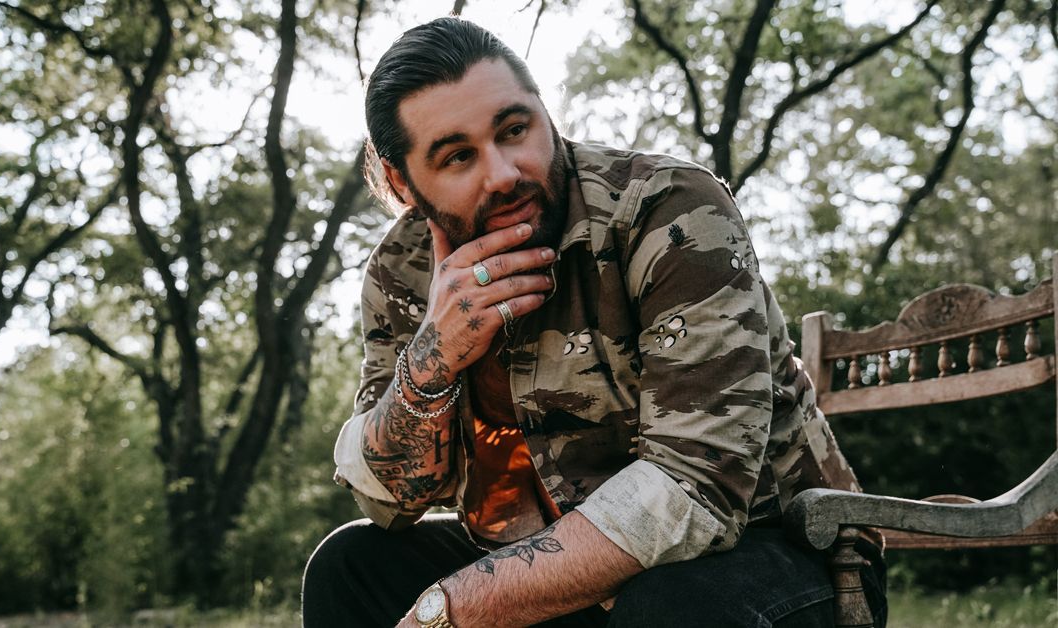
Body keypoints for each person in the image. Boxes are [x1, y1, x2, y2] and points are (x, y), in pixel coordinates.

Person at [303, 16, 885, 628]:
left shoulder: (669, 207)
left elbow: (697, 490)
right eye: (458, 157)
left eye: (515, 129)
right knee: (351, 565)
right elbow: (388, 501)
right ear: (402, 180)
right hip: (561, 567)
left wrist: (452, 607)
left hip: (780, 549)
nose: (504, 174)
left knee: (668, 604)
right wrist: (433, 360)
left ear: (545, 111)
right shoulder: (401, 269)